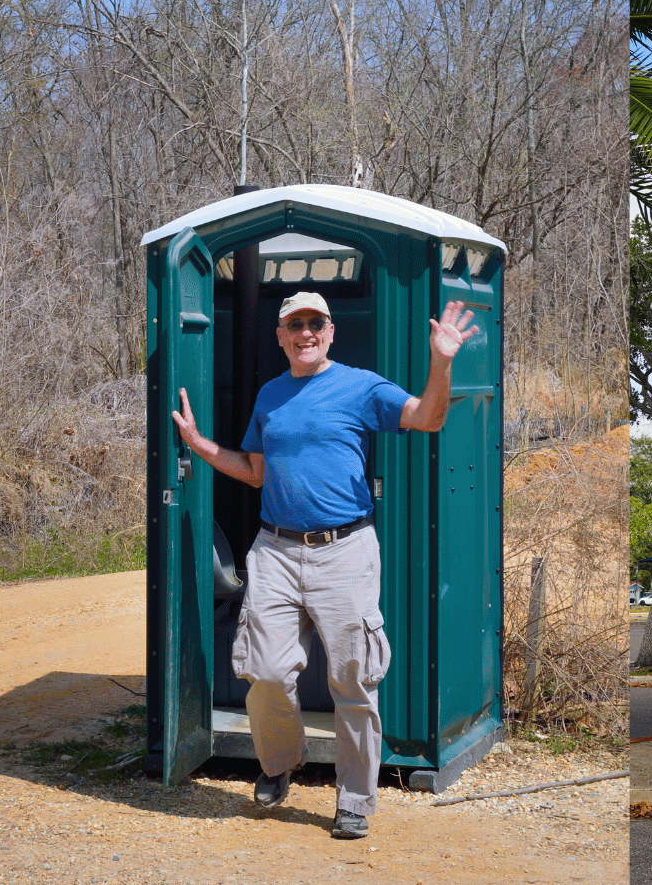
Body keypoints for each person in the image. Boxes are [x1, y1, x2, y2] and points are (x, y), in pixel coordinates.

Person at [170, 290, 479, 839]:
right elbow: (257, 471)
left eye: (316, 323)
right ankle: (280, 762)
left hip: (346, 551)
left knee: (354, 680)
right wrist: (199, 445)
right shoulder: (270, 396)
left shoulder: (362, 386)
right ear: (281, 336)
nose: (306, 332)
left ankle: (355, 798)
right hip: (276, 551)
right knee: (263, 672)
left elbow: (429, 418)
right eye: (296, 325)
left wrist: (442, 359)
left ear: (331, 332)